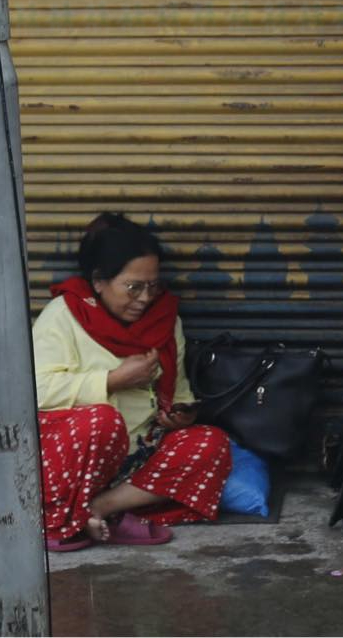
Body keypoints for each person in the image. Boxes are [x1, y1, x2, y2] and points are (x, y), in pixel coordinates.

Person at [32, 213, 234, 551]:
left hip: (136, 457)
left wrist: (180, 414)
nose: (145, 298)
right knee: (101, 420)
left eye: (152, 286)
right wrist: (111, 381)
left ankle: (99, 509)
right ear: (99, 281)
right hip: (74, 461)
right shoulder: (64, 314)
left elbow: (179, 389)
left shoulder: (166, 320)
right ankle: (66, 515)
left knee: (211, 443)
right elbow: (34, 391)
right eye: (133, 287)